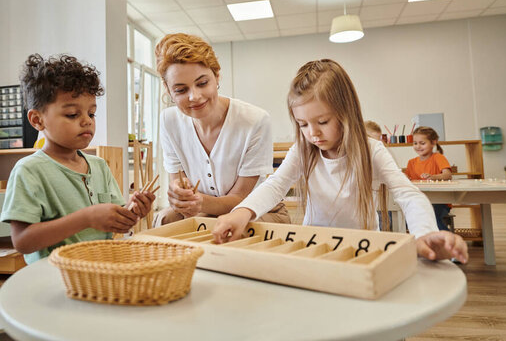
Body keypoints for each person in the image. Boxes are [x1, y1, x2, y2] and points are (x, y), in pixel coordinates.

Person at [212, 59, 468, 264]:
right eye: (303, 124)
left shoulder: (372, 151)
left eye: (322, 122)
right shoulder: (303, 150)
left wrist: (424, 234)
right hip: (314, 247)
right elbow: (275, 185)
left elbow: (407, 194)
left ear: (346, 113)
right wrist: (241, 212)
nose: (312, 133)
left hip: (364, 249)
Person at [0, 54, 155, 264]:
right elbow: (22, 242)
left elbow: (118, 225)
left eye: (91, 114)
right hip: (53, 276)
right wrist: (86, 218)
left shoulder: (99, 166)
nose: (86, 122)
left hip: (98, 272)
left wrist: (133, 212)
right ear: (37, 120)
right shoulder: (29, 170)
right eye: (73, 114)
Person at [153, 33, 290, 227]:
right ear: (168, 90)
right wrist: (179, 195)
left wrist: (200, 202)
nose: (195, 96)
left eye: (202, 83)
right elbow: (179, 184)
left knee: (231, 232)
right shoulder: (169, 121)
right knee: (164, 220)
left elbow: (241, 197)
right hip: (203, 211)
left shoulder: (255, 121)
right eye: (181, 90)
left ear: (217, 76)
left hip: (252, 210)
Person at [406, 126, 453, 231]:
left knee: (431, 217)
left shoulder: (438, 157)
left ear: (433, 142)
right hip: (420, 200)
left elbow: (448, 175)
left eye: (422, 143)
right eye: (415, 143)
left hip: (440, 201)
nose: (418, 146)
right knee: (411, 217)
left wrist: (433, 177)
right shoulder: (411, 162)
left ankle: (446, 242)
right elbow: (408, 180)